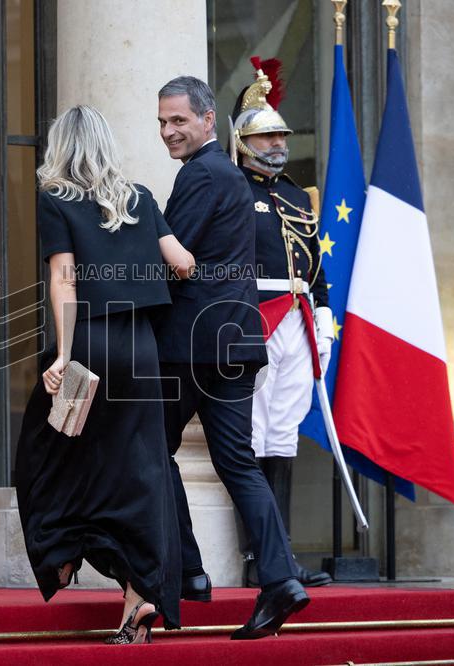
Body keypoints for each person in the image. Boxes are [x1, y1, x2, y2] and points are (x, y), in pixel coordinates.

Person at [16, 105, 193, 643]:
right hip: (140, 351)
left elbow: (63, 281)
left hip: (89, 345)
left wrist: (64, 356)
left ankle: (62, 555)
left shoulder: (56, 201)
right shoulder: (138, 196)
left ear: (60, 150)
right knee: (136, 471)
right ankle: (139, 597)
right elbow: (182, 261)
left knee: (50, 449)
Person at [155, 75, 308, 639]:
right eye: (163, 123)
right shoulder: (225, 175)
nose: (169, 132)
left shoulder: (201, 174)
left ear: (207, 119)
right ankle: (281, 579)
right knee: (238, 464)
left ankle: (190, 571)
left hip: (197, 344)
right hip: (235, 344)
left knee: (153, 448)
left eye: (179, 121)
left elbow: (178, 261)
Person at [231, 59, 333, 588]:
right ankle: (256, 557)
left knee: (283, 434)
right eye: (266, 136)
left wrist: (322, 311)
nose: (276, 144)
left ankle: (282, 554)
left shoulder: (296, 195)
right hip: (255, 318)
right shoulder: (233, 191)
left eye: (280, 135)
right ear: (245, 141)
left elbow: (313, 260)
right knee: (252, 432)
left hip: (297, 319)